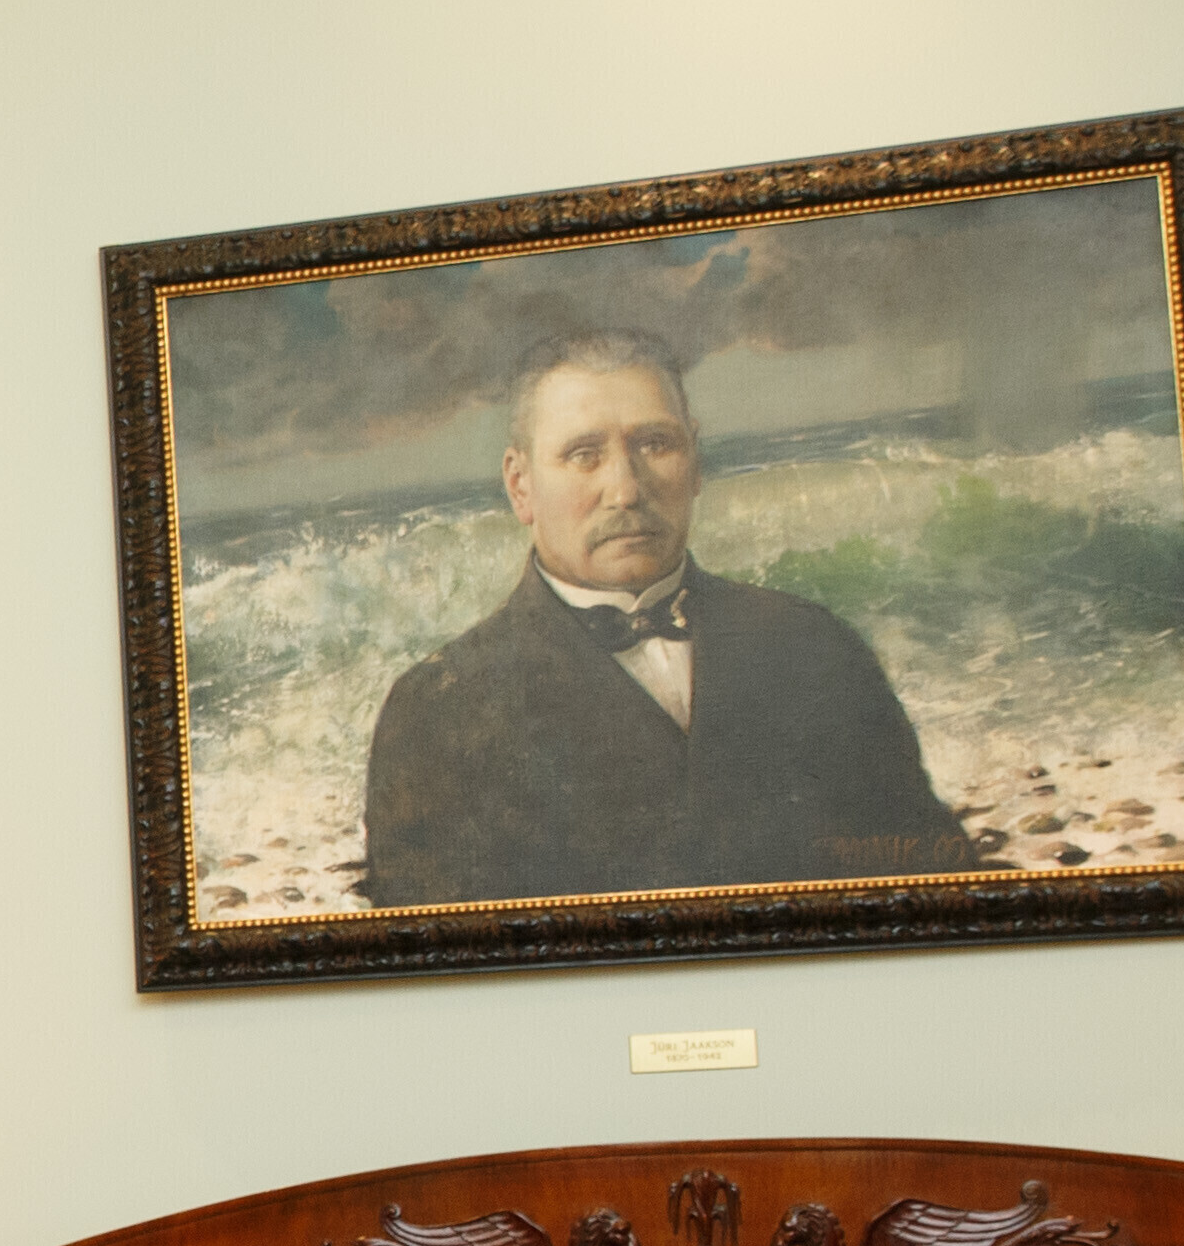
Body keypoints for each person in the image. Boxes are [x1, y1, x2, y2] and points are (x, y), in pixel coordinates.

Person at [357, 326, 985, 905]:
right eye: (584, 455)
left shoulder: (816, 646)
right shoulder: (434, 712)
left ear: (697, 460)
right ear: (520, 486)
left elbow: (935, 879)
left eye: (655, 444)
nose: (626, 489)